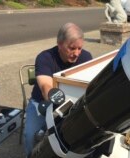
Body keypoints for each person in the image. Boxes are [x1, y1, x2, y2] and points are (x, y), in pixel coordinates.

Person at [24, 22, 93, 158]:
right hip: (42, 103)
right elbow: (45, 87)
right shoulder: (45, 57)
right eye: (72, 48)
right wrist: (55, 100)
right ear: (59, 44)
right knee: (30, 135)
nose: (76, 53)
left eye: (79, 48)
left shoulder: (86, 57)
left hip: (74, 104)